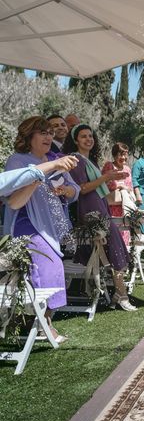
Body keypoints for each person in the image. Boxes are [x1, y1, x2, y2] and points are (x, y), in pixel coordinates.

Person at [3, 116, 81, 342]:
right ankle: (42, 322)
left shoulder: (55, 158)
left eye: (50, 133)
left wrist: (66, 190)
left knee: (54, 267)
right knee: (49, 265)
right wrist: (39, 177)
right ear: (29, 137)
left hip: (53, 226)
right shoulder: (17, 161)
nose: (49, 136)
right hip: (26, 224)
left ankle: (43, 320)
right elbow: (14, 202)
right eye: (43, 133)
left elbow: (75, 190)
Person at [63, 124, 137, 312]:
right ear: (76, 140)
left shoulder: (90, 161)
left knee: (117, 249)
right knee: (115, 249)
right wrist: (106, 177)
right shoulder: (77, 160)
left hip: (101, 208)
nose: (88, 139)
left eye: (90, 136)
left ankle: (119, 293)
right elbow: (83, 188)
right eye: (83, 136)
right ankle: (121, 295)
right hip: (90, 211)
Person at [102, 142, 135, 245]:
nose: (123, 157)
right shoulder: (109, 166)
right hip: (112, 207)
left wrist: (126, 189)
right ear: (115, 155)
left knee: (124, 234)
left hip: (124, 207)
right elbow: (104, 185)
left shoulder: (127, 169)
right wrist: (120, 186)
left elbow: (131, 187)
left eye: (125, 154)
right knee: (113, 235)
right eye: (121, 154)